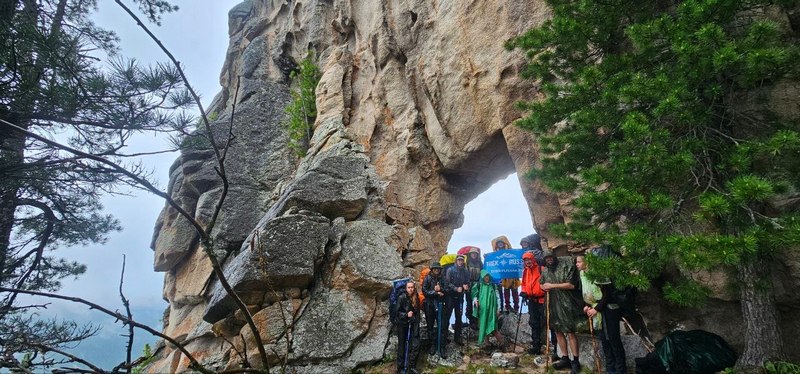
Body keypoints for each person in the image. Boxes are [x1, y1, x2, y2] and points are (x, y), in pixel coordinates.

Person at [583, 249, 634, 374]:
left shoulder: (608, 274)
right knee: (605, 341)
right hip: (601, 310)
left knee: (613, 339)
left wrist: (596, 308)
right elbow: (591, 293)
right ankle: (611, 369)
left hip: (611, 309)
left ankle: (620, 370)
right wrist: (588, 305)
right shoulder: (591, 274)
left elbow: (607, 295)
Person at [541, 249, 583, 374]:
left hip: (568, 303)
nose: (549, 259)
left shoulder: (566, 265)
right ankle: (565, 358)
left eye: (550, 257)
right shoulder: (546, 271)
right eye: (546, 258)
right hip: (553, 304)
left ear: (553, 257)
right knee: (558, 331)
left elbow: (571, 285)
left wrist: (552, 286)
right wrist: (543, 287)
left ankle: (575, 361)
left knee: (570, 331)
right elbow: (542, 284)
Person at [471, 269, 506, 349]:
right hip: (482, 310)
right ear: (482, 277)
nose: (487, 278)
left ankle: (502, 343)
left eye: (488, 276)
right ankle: (487, 344)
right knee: (483, 325)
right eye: (485, 276)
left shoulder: (493, 286)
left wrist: (498, 309)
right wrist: (475, 300)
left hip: (492, 310)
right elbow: (474, 294)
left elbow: (498, 298)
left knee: (493, 327)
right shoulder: (479, 285)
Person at [520, 251, 545, 354]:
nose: (527, 262)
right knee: (534, 323)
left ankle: (553, 346)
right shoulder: (526, 271)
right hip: (531, 300)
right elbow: (524, 283)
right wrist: (524, 292)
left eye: (528, 259)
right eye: (525, 260)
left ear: (533, 259)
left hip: (542, 299)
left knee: (546, 322)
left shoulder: (540, 269)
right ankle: (536, 346)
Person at [444, 254, 471, 346]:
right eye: (459, 260)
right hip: (450, 296)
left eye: (462, 260)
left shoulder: (465, 271)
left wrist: (466, 286)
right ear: (456, 261)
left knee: (459, 316)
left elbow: (468, 282)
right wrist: (456, 288)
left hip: (460, 297)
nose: (460, 262)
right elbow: (447, 283)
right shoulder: (450, 270)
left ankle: (457, 337)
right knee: (447, 316)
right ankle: (445, 336)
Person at [395, 280, 421, 374]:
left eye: (412, 287)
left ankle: (412, 366)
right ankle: (400, 367)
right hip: (402, 324)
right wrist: (406, 314)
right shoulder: (401, 297)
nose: (410, 289)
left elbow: (416, 311)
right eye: (408, 287)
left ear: (414, 288)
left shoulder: (415, 297)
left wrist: (415, 320)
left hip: (412, 323)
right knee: (402, 345)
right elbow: (397, 313)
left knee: (414, 344)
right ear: (406, 288)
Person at [422, 261, 446, 356]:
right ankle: (432, 345)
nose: (436, 270)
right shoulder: (427, 278)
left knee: (442, 325)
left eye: (438, 269)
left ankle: (442, 346)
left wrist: (441, 290)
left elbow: (447, 289)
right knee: (430, 326)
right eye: (435, 269)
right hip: (429, 305)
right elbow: (424, 291)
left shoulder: (442, 278)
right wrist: (435, 292)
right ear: (432, 269)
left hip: (440, 304)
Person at [491, 236, 520, 312]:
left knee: (514, 291)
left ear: (504, 243)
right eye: (499, 243)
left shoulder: (511, 251)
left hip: (513, 274)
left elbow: (517, 258)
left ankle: (516, 307)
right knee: (506, 291)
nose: (500, 244)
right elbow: (492, 261)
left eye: (501, 243)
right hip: (503, 275)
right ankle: (507, 307)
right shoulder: (496, 253)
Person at [465, 247, 483, 329]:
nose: (474, 255)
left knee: (477, 303)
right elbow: (465, 274)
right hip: (469, 285)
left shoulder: (480, 263)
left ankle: (476, 319)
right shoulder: (467, 263)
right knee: (469, 303)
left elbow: (483, 273)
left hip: (477, 285)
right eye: (472, 253)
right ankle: (471, 320)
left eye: (475, 253)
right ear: (470, 254)